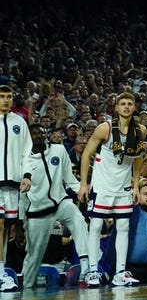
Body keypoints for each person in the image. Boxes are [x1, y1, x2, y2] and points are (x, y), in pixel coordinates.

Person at [77, 91, 147, 287]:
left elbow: (138, 158)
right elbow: (86, 155)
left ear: (134, 107)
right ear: (116, 107)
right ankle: (93, 271)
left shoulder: (140, 130)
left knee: (124, 227)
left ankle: (120, 272)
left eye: (129, 104)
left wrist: (136, 184)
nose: (126, 107)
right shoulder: (104, 128)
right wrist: (84, 183)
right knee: (97, 225)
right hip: (102, 184)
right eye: (122, 103)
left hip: (123, 185)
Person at [19, 122, 91, 290]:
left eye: (40, 132)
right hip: (37, 211)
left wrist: (81, 189)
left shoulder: (58, 150)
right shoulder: (24, 160)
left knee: (77, 217)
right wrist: (22, 217)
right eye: (33, 134)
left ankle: (86, 266)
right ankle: (26, 287)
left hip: (60, 201)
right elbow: (21, 191)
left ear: (46, 134)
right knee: (34, 254)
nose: (37, 136)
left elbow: (69, 177)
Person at [0, 84, 32, 292]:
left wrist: (27, 175)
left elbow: (27, 152)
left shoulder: (19, 122)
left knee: (5, 230)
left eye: (9, 96)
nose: (5, 100)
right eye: (2, 96)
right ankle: (1, 273)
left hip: (12, 184)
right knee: (0, 225)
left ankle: (2, 272)